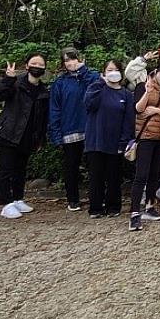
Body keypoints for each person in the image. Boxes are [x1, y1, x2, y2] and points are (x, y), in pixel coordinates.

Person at [0, 54, 50, 219]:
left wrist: (39, 139)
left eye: (40, 64)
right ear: (26, 66)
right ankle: (5, 203)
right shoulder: (16, 84)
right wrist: (8, 79)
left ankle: (17, 198)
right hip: (8, 133)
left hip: (28, 136)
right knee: (6, 169)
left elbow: (42, 118)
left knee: (20, 170)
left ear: (44, 68)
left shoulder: (44, 91)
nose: (37, 66)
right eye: (34, 63)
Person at [48, 47, 100, 211]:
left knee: (95, 167)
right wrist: (56, 134)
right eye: (67, 60)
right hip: (69, 131)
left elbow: (96, 90)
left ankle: (97, 198)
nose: (71, 63)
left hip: (91, 129)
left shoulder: (92, 76)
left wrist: (82, 72)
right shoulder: (60, 82)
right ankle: (73, 199)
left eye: (73, 59)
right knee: (71, 167)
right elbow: (54, 109)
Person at [125, 43, 160, 203]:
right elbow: (129, 73)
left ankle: (156, 197)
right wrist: (143, 59)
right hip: (146, 131)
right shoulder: (145, 81)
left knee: (159, 166)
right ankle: (138, 207)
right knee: (143, 170)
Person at [84, 60, 135, 218]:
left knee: (114, 176)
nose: (113, 72)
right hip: (96, 141)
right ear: (103, 72)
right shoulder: (96, 88)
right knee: (96, 176)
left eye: (116, 69)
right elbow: (88, 104)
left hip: (115, 142)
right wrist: (99, 84)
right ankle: (95, 208)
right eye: (109, 70)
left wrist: (124, 141)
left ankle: (113, 206)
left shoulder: (126, 94)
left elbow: (128, 121)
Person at [128, 62, 160, 231]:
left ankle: (150, 206)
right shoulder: (142, 86)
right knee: (141, 175)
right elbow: (138, 109)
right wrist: (147, 92)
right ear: (155, 72)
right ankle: (134, 213)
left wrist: (156, 110)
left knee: (154, 175)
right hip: (146, 138)